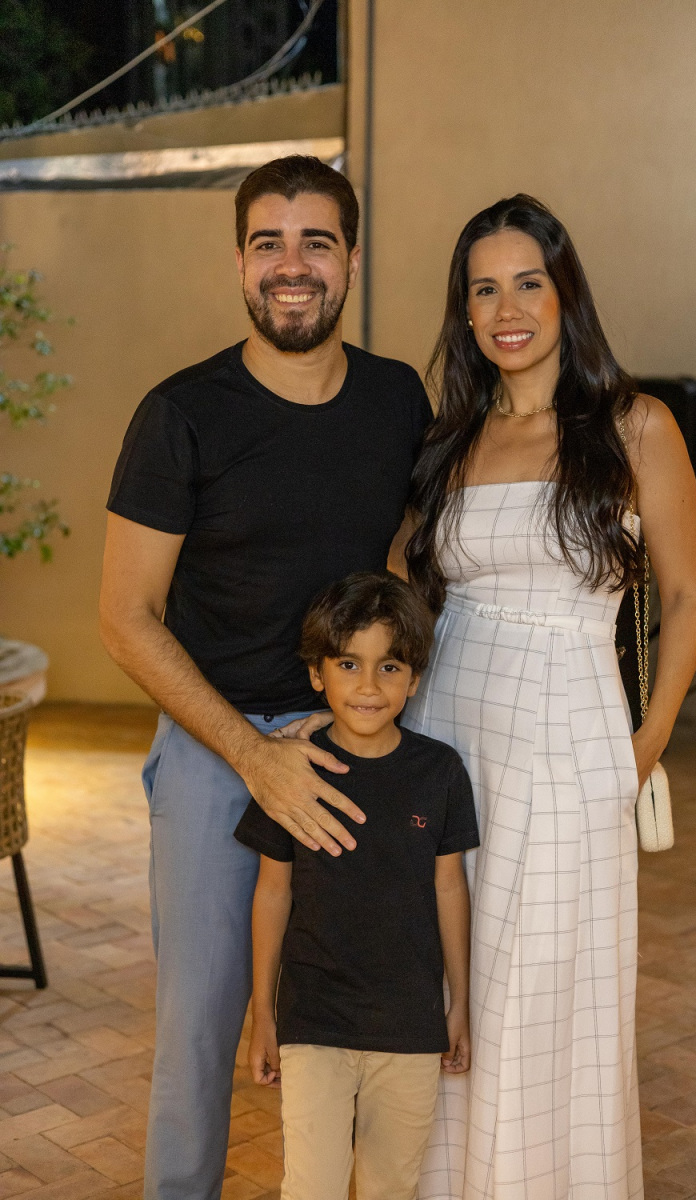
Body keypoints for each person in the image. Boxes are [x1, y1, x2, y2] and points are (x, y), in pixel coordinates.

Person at [98, 156, 432, 1199]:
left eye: (315, 242)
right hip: (218, 749)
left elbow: (408, 554)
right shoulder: (180, 414)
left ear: (352, 260)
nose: (292, 265)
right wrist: (253, 756)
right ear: (239, 263)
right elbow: (124, 617)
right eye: (268, 244)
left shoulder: (396, 399)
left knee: (357, 1018)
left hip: (357, 738)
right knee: (200, 1027)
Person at [394, 195, 696, 1199]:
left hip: (570, 741)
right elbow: (399, 581)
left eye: (528, 282)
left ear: (566, 293)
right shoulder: (450, 439)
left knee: (541, 991)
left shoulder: (634, 426)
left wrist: (643, 746)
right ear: (464, 311)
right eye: (483, 289)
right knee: (450, 979)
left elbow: (688, 593)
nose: (507, 309)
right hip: (447, 732)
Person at [234, 572, 479, 1200]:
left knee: (389, 1187)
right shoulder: (290, 770)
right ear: (317, 674)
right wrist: (263, 1013)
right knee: (310, 1187)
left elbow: (450, 889)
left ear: (414, 679)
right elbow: (272, 893)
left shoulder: (439, 772)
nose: (369, 686)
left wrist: (459, 1003)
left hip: (409, 1026)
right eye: (349, 664)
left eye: (389, 667)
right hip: (314, 1020)